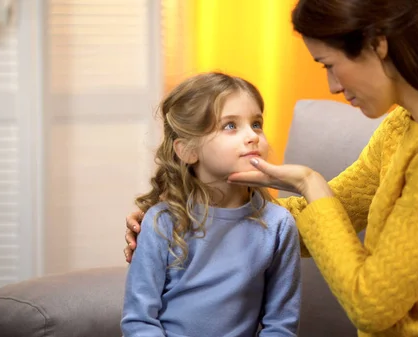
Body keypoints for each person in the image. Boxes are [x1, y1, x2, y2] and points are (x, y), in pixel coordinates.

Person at [125, 0, 418, 336]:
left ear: (378, 45)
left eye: (329, 64)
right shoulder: (402, 125)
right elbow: (324, 223)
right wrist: (193, 216)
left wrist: (308, 181)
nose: (333, 86)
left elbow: (371, 305)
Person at [121, 72, 301, 337]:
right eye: (230, 126)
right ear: (187, 151)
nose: (252, 136)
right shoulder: (162, 223)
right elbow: (139, 322)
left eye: (257, 124)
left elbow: (281, 327)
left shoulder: (279, 225)